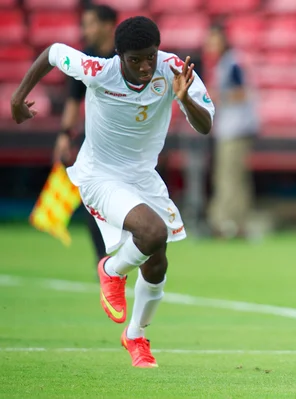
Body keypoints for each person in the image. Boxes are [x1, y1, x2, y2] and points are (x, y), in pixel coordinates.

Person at [11, 16, 215, 368]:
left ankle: (135, 336)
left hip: (143, 176)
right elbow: (54, 52)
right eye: (135, 59)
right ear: (119, 55)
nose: (144, 66)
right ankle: (113, 270)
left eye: (150, 57)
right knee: (152, 231)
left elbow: (206, 126)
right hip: (99, 175)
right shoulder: (97, 69)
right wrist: (18, 98)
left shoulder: (173, 69)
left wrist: (186, 99)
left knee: (157, 262)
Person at [53, 4, 118, 265]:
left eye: (90, 24)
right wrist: (64, 135)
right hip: (95, 145)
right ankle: (102, 262)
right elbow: (72, 101)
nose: (85, 30)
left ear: (107, 25)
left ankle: (126, 258)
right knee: (92, 203)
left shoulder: (127, 57)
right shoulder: (85, 60)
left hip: (129, 143)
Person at [205, 23, 259, 239]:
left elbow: (242, 93)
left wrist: (218, 96)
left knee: (230, 177)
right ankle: (234, 222)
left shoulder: (231, 63)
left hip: (235, 128)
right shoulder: (226, 63)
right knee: (231, 176)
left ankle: (228, 223)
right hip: (230, 128)